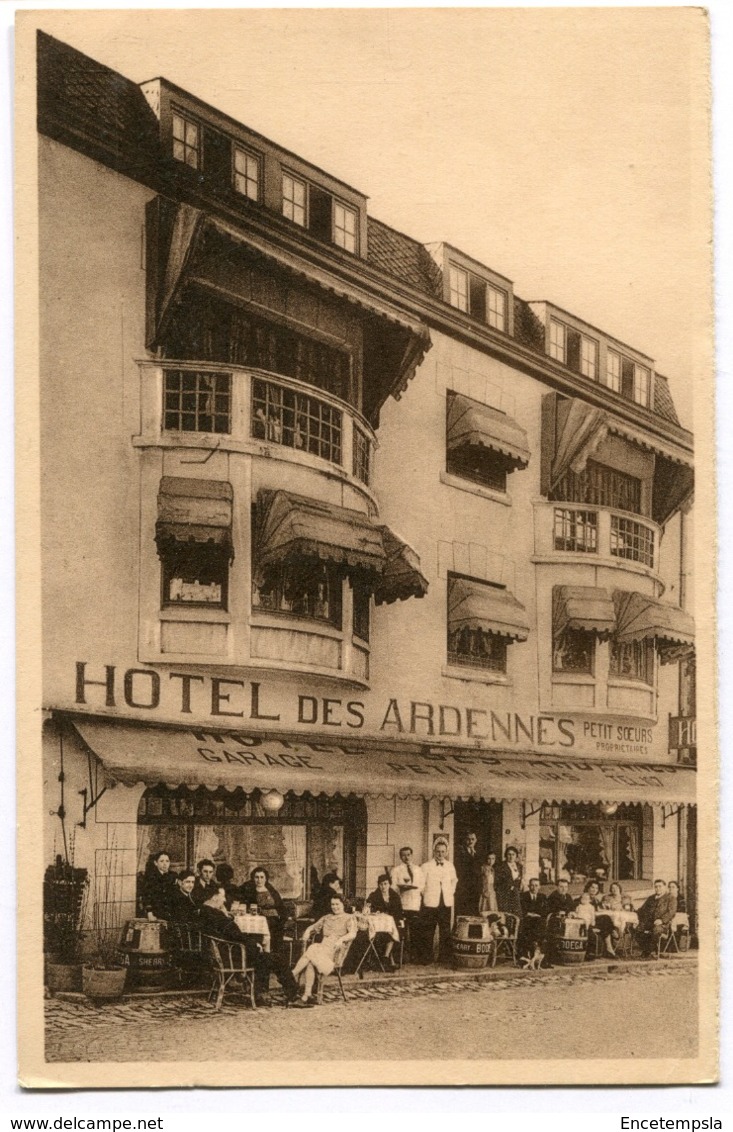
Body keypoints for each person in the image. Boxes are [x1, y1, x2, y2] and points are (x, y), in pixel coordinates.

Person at [199, 888, 298, 1005]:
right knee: (276, 959)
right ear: (214, 897)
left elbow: (231, 935)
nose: (224, 899)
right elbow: (235, 934)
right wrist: (254, 944)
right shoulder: (216, 914)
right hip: (234, 956)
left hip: (223, 955)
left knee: (265, 957)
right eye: (223, 896)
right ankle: (292, 994)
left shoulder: (204, 912)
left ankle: (261, 993)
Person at [291, 894, 358, 1007]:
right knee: (311, 959)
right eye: (332, 904)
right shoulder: (327, 917)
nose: (334, 907)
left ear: (343, 904)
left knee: (312, 949)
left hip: (334, 954)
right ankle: (306, 996)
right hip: (322, 951)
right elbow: (313, 927)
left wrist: (341, 939)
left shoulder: (349, 917)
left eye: (337, 904)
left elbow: (352, 933)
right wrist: (307, 931)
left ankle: (292, 975)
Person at [419, 839, 458, 964]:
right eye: (438, 851)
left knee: (445, 930)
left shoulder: (450, 865)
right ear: (434, 851)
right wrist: (426, 894)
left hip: (445, 902)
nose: (440, 854)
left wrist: (450, 892)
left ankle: (444, 957)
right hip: (430, 903)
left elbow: (454, 880)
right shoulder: (426, 866)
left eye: (443, 852)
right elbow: (421, 884)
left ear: (446, 852)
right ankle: (427, 957)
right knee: (428, 930)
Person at [238, 867, 289, 954]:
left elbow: (280, 906)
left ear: (265, 878)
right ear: (253, 878)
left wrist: (282, 919)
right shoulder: (250, 891)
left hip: (275, 920)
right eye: (256, 877)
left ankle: (274, 957)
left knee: (276, 933)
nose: (259, 880)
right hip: (260, 919)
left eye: (262, 877)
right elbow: (247, 906)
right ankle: (265, 955)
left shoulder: (271, 890)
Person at [390, 845, 424, 960]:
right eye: (404, 855)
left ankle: (414, 957)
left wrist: (415, 889)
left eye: (408, 855)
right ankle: (400, 957)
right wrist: (402, 889)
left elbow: (422, 886)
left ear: (412, 855)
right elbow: (393, 888)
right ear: (400, 857)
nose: (406, 857)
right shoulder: (396, 870)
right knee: (401, 932)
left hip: (415, 905)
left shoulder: (418, 870)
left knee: (415, 932)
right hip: (402, 905)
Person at [365, 874, 404, 971]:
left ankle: (385, 958)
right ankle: (387, 960)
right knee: (381, 934)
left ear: (389, 884)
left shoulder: (395, 896)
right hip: (378, 924)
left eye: (385, 884)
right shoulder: (374, 895)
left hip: (393, 923)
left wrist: (398, 920)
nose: (383, 887)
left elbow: (399, 912)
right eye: (381, 884)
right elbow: (368, 907)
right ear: (378, 885)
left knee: (392, 933)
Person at [636, 879, 677, 957]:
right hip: (649, 922)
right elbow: (642, 910)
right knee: (637, 929)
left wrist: (661, 920)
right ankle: (648, 948)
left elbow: (671, 912)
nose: (658, 888)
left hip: (663, 924)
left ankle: (647, 951)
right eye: (656, 887)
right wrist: (636, 915)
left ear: (665, 887)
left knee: (656, 930)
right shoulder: (651, 898)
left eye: (660, 886)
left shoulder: (671, 898)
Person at [141, 851, 178, 921]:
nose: (165, 864)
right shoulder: (151, 877)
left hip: (171, 911)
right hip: (156, 912)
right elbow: (146, 896)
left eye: (167, 861)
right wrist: (149, 913)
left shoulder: (173, 876)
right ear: (156, 863)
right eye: (161, 861)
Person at [454, 831, 483, 917]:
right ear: (465, 840)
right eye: (468, 839)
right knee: (463, 912)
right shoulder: (460, 853)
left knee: (474, 912)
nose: (470, 841)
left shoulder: (477, 854)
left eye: (472, 839)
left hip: (475, 889)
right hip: (464, 889)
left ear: (476, 840)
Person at [519, 877, 548, 958]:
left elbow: (545, 911)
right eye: (532, 885)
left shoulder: (542, 897)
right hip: (527, 922)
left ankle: (539, 955)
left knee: (541, 925)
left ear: (539, 887)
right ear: (528, 886)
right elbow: (523, 910)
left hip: (539, 922)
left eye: (536, 885)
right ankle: (528, 954)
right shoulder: (523, 896)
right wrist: (534, 914)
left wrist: (534, 914)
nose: (534, 888)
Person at [494, 846, 523, 920]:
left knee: (516, 913)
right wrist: (508, 886)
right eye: (509, 854)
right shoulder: (501, 866)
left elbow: (519, 879)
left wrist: (516, 887)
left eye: (513, 854)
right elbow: (498, 881)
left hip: (515, 892)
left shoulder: (519, 866)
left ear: (516, 855)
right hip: (504, 893)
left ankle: (515, 930)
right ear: (506, 855)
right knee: (505, 913)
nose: (511, 856)